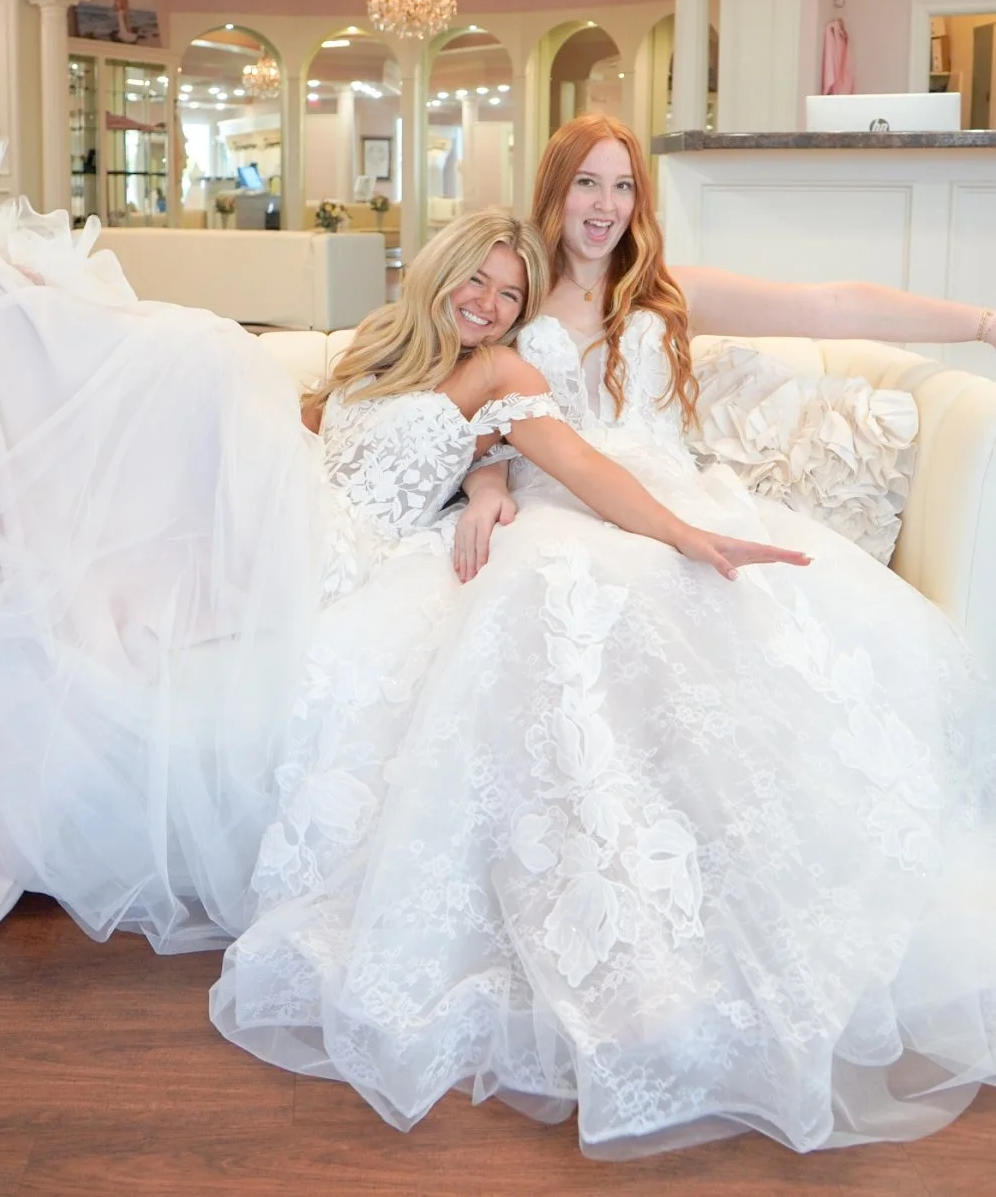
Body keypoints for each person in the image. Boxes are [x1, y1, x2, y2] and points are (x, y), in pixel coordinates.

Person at [0, 133, 789, 1144]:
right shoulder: (386, 350)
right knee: (176, 400)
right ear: (443, 271)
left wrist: (681, 533)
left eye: (510, 295)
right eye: (477, 279)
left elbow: (580, 465)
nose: (489, 303)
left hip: (327, 550)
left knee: (208, 355)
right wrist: (472, 475)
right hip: (283, 504)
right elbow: (317, 430)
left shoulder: (502, 371)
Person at [211, 115, 996, 1160]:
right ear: (554, 190)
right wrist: (487, 485)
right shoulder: (511, 291)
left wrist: (980, 320)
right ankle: (617, 956)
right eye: (587, 182)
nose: (606, 205)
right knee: (568, 614)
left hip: (670, 497)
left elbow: (828, 304)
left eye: (623, 186)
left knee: (737, 622)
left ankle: (730, 926)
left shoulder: (662, 293)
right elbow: (462, 407)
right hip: (560, 511)